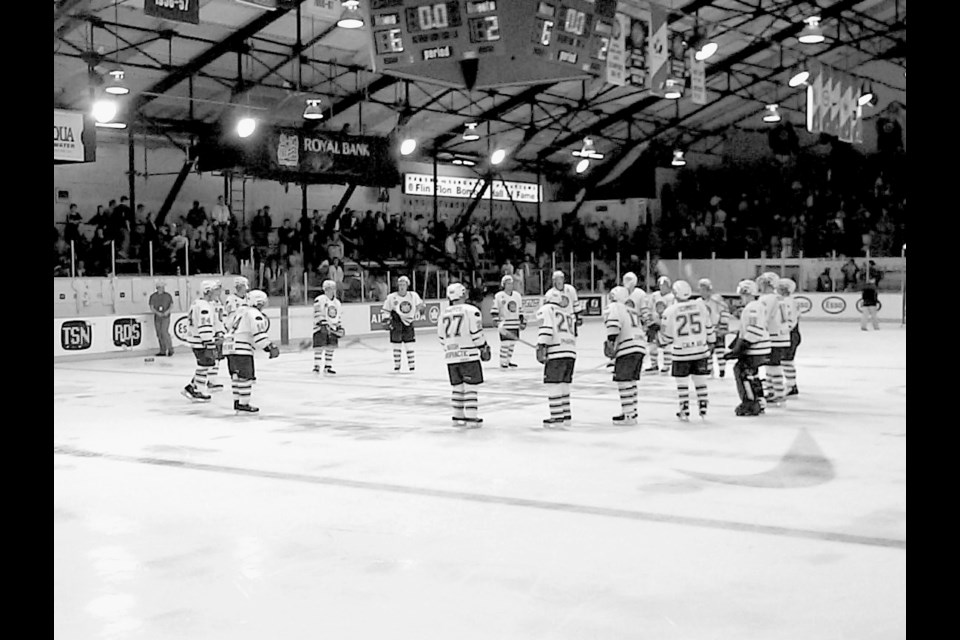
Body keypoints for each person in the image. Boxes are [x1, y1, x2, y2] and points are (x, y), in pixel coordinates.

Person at [660, 280, 715, 420]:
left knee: (682, 383)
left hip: (681, 353)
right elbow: (709, 327)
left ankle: (684, 408)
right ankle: (703, 407)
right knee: (701, 381)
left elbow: (666, 337)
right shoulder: (701, 306)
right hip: (700, 350)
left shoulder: (670, 311)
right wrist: (711, 341)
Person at [438, 283, 490, 428]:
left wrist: (450, 350)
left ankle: (457, 416)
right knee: (471, 387)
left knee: (457, 387)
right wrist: (483, 346)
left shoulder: (444, 313)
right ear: (462, 294)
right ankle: (472, 417)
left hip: (451, 356)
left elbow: (441, 337)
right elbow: (476, 333)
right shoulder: (471, 310)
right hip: (469, 355)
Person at [223, 289, 279, 413]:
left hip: (229, 347)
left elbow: (227, 325)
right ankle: (244, 403)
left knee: (235, 376)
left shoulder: (240, 311)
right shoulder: (254, 313)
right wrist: (269, 346)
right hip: (241, 348)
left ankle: (237, 401)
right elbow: (259, 335)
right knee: (245, 377)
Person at [724, 280, 771, 417]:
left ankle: (750, 403)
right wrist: (736, 345)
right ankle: (760, 401)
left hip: (756, 348)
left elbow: (754, 330)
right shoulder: (756, 306)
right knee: (752, 373)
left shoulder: (752, 308)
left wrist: (740, 348)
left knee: (742, 371)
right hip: (761, 347)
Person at [603, 286, 646, 426]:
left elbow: (613, 325)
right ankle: (632, 411)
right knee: (632, 381)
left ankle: (628, 415)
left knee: (623, 381)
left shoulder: (615, 307)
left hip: (627, 347)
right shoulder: (632, 310)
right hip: (640, 346)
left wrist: (611, 342)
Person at [535, 288, 577, 428]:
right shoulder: (568, 313)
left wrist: (541, 346)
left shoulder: (546, 309)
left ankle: (557, 417)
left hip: (556, 352)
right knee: (564, 385)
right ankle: (566, 415)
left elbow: (546, 329)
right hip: (570, 352)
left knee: (553, 384)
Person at [181, 280, 224, 402]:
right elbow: (204, 326)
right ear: (208, 292)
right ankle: (197, 390)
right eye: (215, 290)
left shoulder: (198, 303)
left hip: (197, 340)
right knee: (204, 365)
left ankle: (191, 387)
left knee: (205, 364)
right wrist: (209, 342)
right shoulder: (204, 306)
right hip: (201, 341)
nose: (217, 293)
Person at [383, 275, 425, 372]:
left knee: (409, 344)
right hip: (396, 322)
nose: (402, 286)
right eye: (400, 284)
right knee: (396, 345)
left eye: (404, 284)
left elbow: (419, 307)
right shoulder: (391, 297)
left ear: (407, 285)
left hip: (408, 323)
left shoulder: (413, 296)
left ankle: (412, 366)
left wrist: (421, 308)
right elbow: (386, 310)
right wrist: (386, 319)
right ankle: (397, 366)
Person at [756, 272, 785, 406]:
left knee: (773, 366)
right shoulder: (780, 298)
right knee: (770, 365)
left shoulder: (766, 298)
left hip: (772, 336)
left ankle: (778, 393)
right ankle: (773, 391)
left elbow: (764, 317)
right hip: (781, 335)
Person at [697, 278, 731, 377]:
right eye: (700, 289)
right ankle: (710, 370)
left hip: (717, 329)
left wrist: (723, 327)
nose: (701, 291)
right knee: (708, 353)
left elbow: (724, 313)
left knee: (720, 351)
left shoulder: (717, 301)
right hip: (705, 331)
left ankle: (722, 371)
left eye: (704, 289)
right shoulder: (698, 302)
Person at [492, 275, 525, 368]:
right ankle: (503, 362)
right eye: (508, 284)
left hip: (514, 323)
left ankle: (508, 360)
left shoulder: (517, 295)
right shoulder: (499, 296)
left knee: (512, 344)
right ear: (503, 285)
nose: (510, 285)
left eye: (511, 283)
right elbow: (495, 309)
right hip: (505, 324)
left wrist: (522, 321)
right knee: (505, 344)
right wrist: (496, 321)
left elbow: (520, 310)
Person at [776, 278, 801, 396]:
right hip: (791, 333)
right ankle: (792, 384)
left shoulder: (788, 302)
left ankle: (791, 385)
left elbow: (790, 321)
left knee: (786, 360)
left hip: (789, 334)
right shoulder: (787, 300)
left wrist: (782, 331)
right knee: (786, 360)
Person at [313, 279, 344, 374]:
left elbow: (338, 315)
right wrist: (322, 323)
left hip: (333, 328)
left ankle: (328, 366)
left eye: (331, 288)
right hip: (321, 327)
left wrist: (339, 326)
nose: (330, 290)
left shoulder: (337, 302)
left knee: (331, 347)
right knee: (319, 347)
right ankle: (317, 366)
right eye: (328, 288)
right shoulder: (320, 299)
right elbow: (318, 312)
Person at [647, 276, 676, 373]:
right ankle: (654, 365)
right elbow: (649, 308)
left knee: (667, 345)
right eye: (660, 285)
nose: (662, 287)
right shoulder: (654, 296)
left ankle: (666, 365)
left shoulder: (672, 297)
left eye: (664, 285)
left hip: (666, 325)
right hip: (654, 324)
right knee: (652, 345)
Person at [206, 281, 226, 392]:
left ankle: (212, 379)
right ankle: (210, 380)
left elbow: (221, 318)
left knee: (217, 358)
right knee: (212, 357)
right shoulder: (209, 303)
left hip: (219, 331)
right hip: (213, 332)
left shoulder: (218, 301)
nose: (219, 291)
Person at [148, 280, 175, 357]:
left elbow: (171, 305)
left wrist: (167, 312)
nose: (162, 289)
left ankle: (170, 349)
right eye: (161, 287)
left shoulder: (168, 296)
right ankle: (162, 350)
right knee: (159, 333)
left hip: (166, 317)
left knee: (164, 332)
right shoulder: (153, 296)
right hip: (157, 317)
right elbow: (151, 307)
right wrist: (157, 313)